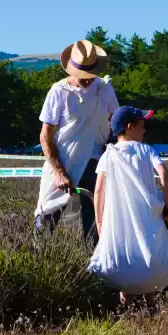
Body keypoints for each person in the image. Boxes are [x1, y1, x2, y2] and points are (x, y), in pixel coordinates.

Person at [88, 106, 168, 307]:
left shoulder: (108, 155)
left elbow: (99, 191)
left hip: (119, 218)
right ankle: (151, 305)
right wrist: (165, 205)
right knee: (149, 252)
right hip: (147, 214)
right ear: (130, 127)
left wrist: (100, 221)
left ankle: (126, 306)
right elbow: (163, 173)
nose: (145, 130)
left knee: (126, 256)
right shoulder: (147, 150)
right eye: (142, 125)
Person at [34, 40, 119, 243]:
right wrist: (58, 171)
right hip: (64, 160)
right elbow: (45, 135)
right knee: (47, 215)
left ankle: (95, 267)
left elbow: (116, 124)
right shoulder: (59, 92)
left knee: (96, 222)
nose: (87, 81)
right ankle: (39, 262)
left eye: (90, 76)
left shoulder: (105, 90)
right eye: (82, 76)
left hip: (95, 162)